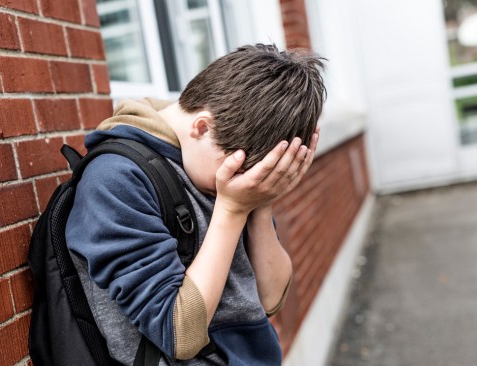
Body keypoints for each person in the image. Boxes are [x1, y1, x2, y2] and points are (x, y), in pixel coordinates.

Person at [65, 44, 326, 365]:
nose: (246, 183)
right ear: (202, 127)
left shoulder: (230, 165)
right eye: (243, 170)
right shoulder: (116, 180)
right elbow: (179, 335)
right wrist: (231, 209)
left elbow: (270, 300)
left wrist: (262, 203)